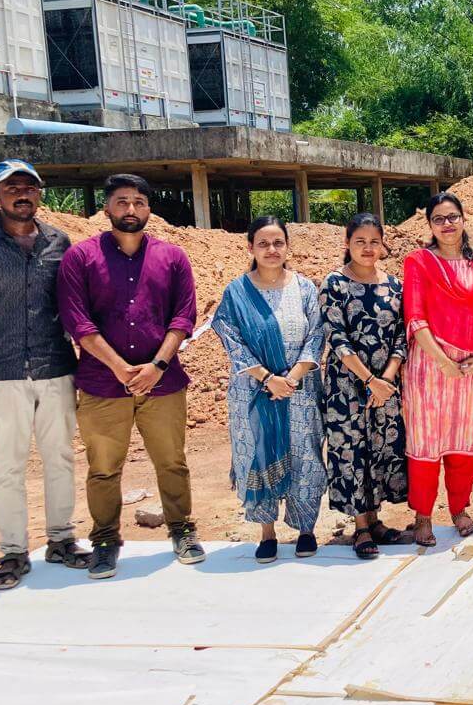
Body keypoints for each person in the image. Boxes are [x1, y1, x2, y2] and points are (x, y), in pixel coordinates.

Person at [57, 173, 204, 580]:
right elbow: (78, 322)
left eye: (139, 202)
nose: (130, 209)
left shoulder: (172, 257)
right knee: (103, 467)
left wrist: (157, 366)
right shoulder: (81, 258)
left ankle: (182, 529)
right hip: (103, 384)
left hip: (163, 383)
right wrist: (119, 368)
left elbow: (183, 317)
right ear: (106, 208)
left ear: (149, 209)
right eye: (121, 202)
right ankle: (105, 540)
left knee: (171, 462)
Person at [0, 160, 92, 591]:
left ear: (39, 194)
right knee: (9, 464)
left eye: (29, 187)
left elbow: (72, 304)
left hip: (55, 368)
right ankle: (13, 551)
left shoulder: (58, 241)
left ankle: (61, 540)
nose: (22, 194)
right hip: (1, 372)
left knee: (60, 457)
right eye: (12, 187)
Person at [212, 216, 327, 564]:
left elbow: (316, 334)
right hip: (254, 392)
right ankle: (267, 532)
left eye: (278, 242)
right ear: (250, 247)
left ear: (288, 246)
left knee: (305, 455)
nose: (272, 249)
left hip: (300, 391)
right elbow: (232, 339)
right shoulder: (236, 293)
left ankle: (306, 529)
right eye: (263, 243)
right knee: (257, 453)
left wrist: (292, 377)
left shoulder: (305, 288)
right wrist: (268, 379)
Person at [402, 192, 473, 546]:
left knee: (465, 442)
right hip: (430, 365)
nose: (447, 224)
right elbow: (415, 317)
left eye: (453, 216)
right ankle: (423, 515)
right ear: (429, 224)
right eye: (438, 219)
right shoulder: (419, 262)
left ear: (463, 218)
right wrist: (443, 361)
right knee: (426, 442)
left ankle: (459, 508)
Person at [320, 213, 409, 559]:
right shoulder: (334, 284)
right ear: (347, 243)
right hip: (348, 387)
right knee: (352, 450)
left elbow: (401, 335)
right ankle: (360, 527)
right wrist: (369, 380)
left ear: (383, 244)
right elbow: (337, 338)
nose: (368, 248)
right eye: (360, 241)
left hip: (385, 386)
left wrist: (385, 379)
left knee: (380, 447)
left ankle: (375, 520)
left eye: (374, 241)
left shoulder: (395, 285)